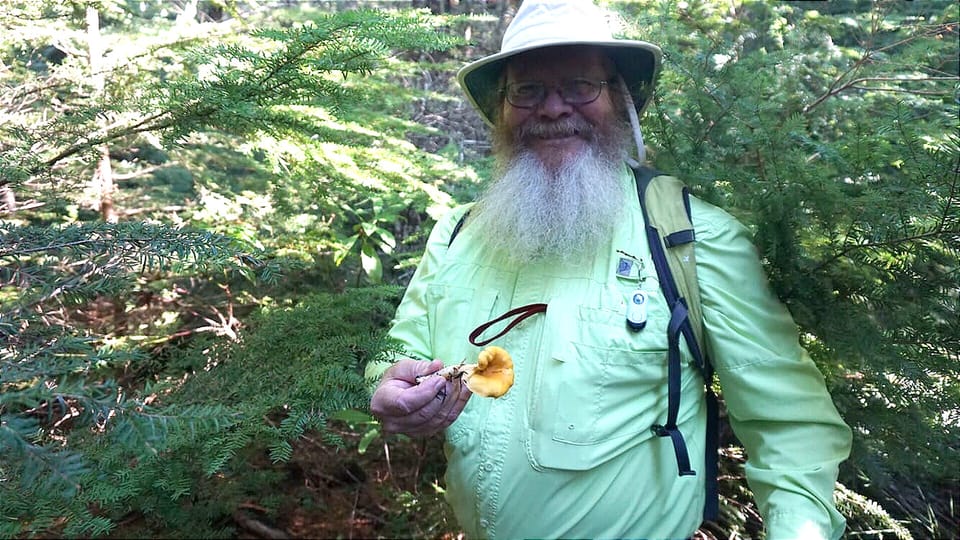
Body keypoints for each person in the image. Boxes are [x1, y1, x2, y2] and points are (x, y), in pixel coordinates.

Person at [367, 1, 853, 538]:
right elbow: (403, 345)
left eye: (579, 85)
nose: (552, 108)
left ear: (621, 100)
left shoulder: (692, 241)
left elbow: (790, 427)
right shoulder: (457, 232)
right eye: (526, 90)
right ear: (501, 109)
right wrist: (387, 382)